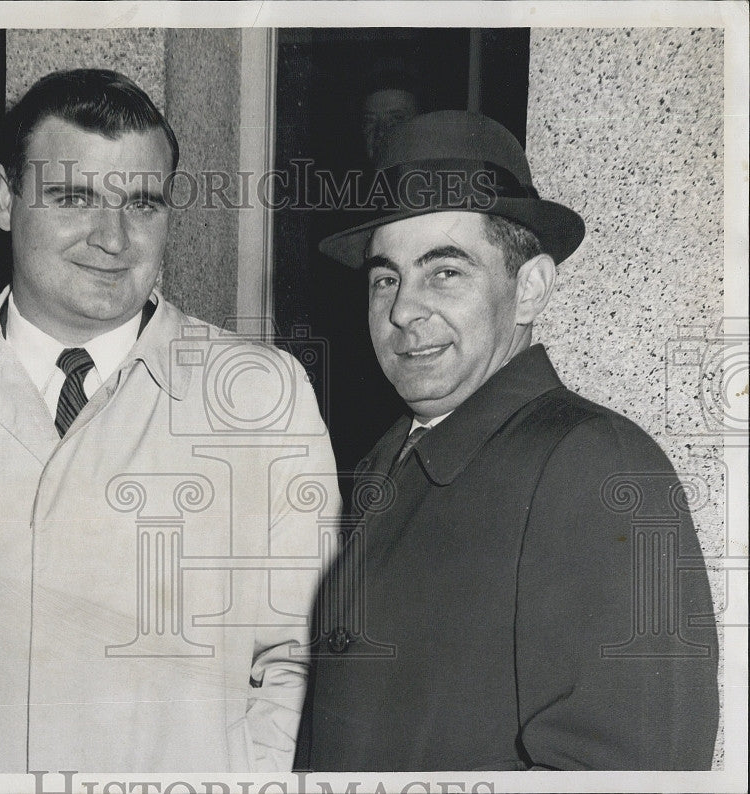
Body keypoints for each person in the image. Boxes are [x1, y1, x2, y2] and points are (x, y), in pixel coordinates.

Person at [0, 68, 338, 773]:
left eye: (143, 203)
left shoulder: (260, 395)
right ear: (5, 198)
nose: (115, 237)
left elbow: (300, 658)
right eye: (75, 197)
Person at [294, 110, 719, 771]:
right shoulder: (388, 462)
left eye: (445, 271)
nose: (403, 308)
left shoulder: (593, 463)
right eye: (386, 277)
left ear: (531, 289)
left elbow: (627, 770)